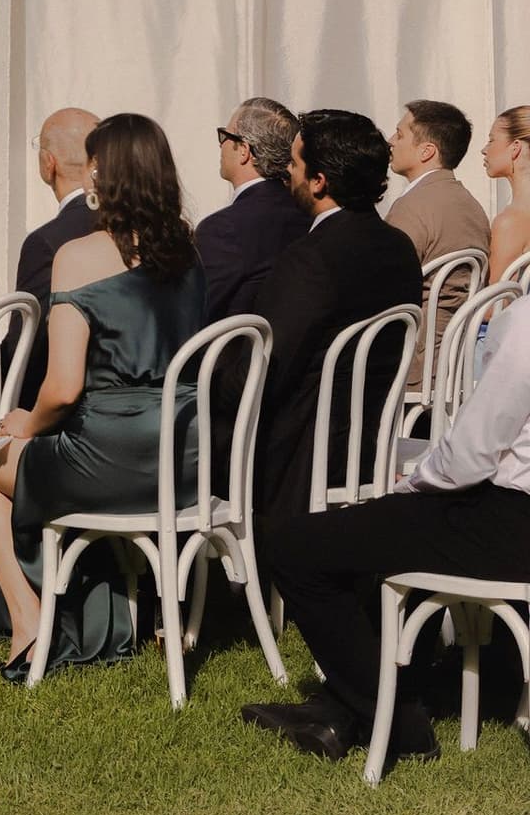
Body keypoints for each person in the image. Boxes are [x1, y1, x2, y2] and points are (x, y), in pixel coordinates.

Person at [0, 114, 205, 675]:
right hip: (185, 457)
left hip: (110, 458)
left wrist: (27, 422)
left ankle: (27, 620)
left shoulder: (77, 255)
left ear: (99, 174)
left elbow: (64, 385)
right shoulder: (188, 251)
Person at [240, 301, 530, 768]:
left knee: (295, 546)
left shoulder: (525, 324)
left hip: (509, 521)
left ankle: (397, 723)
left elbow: (470, 457)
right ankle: (339, 709)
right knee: (378, 536)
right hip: (504, 518)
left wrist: (408, 486)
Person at [237, 110, 422, 523]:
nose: (287, 171)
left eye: (295, 163)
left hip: (308, 451)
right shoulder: (399, 247)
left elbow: (267, 366)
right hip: (372, 440)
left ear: (319, 181)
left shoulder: (312, 258)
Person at [384, 100, 491, 389]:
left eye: (400, 134)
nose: (390, 141)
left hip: (415, 364)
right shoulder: (472, 206)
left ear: (427, 151)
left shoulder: (412, 207)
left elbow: (383, 286)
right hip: (457, 362)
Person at [7, 108, 98, 407]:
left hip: (64, 412)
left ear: (49, 163)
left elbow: (26, 346)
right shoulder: (139, 227)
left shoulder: (45, 243)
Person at [195, 97, 307, 322]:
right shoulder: (309, 214)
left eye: (225, 136)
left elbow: (195, 312)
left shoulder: (223, 229)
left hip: (236, 352)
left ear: (244, 151)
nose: (220, 144)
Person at [482, 105, 530, 283]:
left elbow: (496, 305)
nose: (484, 150)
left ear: (515, 147)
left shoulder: (511, 222)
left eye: (491, 140)